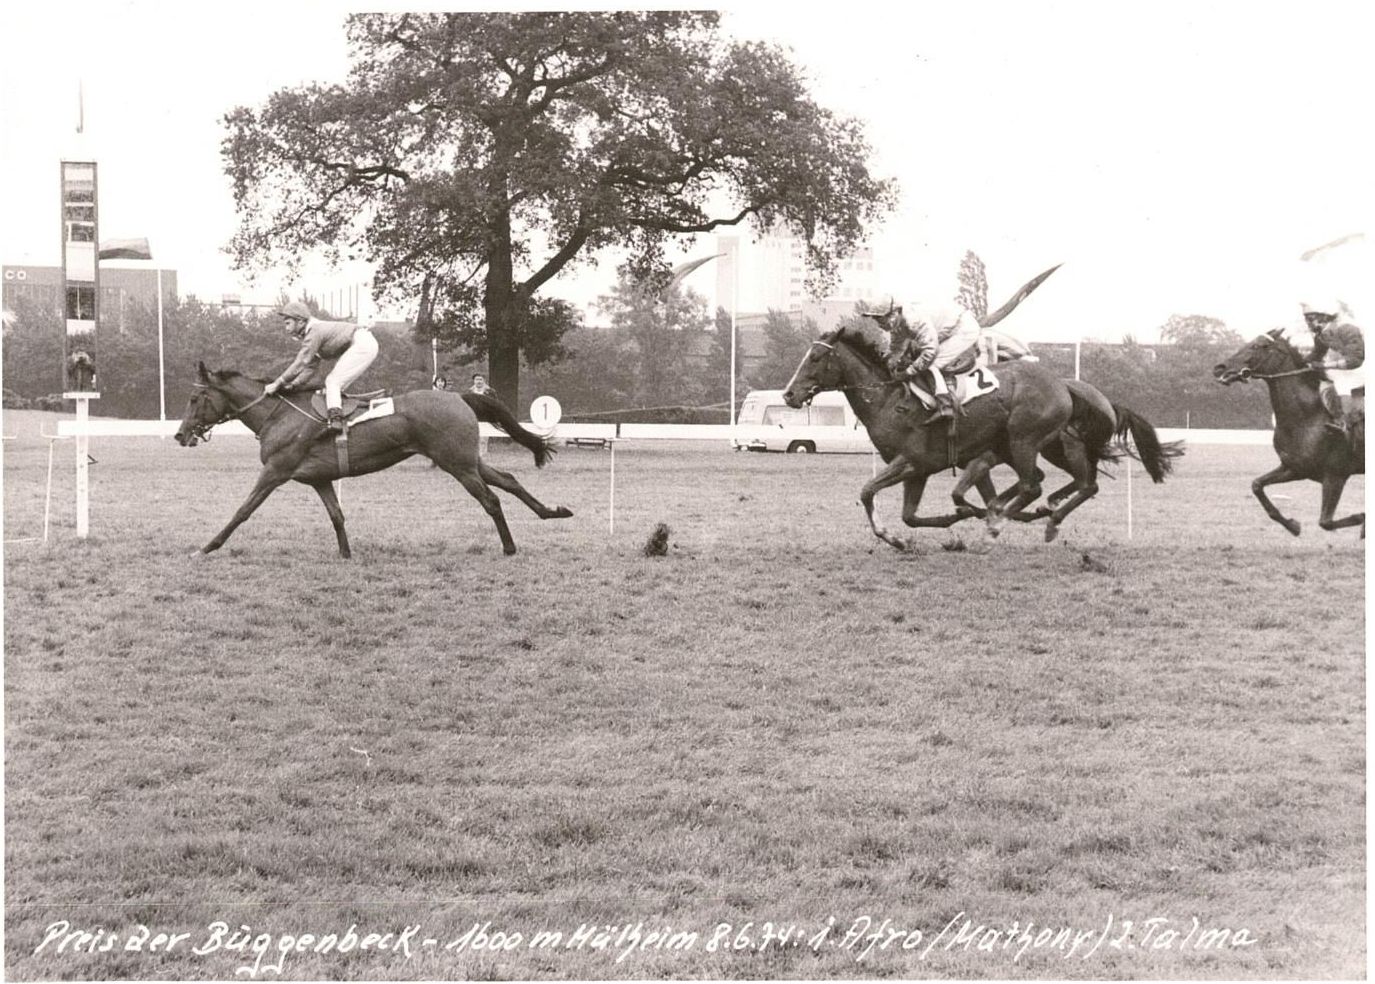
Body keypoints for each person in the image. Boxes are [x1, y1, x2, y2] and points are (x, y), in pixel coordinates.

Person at [264, 301, 379, 432]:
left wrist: (278, 383)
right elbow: (310, 367)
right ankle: (344, 418)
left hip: (362, 343)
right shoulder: (313, 332)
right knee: (331, 388)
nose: (286, 328)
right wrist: (294, 385)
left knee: (332, 382)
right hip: (363, 343)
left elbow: (301, 362)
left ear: (300, 322)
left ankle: (336, 421)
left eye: (288, 323)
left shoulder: (314, 332)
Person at [872, 298, 984, 421]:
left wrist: (908, 372)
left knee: (931, 364)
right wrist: (884, 360)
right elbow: (896, 348)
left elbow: (930, 351)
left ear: (894, 313)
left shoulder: (913, 320)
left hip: (963, 329)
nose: (879, 325)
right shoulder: (898, 322)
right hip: (949, 331)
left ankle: (946, 405)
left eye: (881, 320)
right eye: (876, 320)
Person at [1302, 301, 1364, 434]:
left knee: (1342, 381)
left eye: (1310, 319)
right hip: (1355, 365)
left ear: (1324, 317)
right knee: (1324, 379)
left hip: (1365, 364)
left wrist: (1324, 365)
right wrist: (1301, 363)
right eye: (1306, 319)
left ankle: (1346, 423)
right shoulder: (1321, 334)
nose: (1307, 322)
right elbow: (1317, 353)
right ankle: (1332, 416)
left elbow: (1355, 360)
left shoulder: (1346, 328)